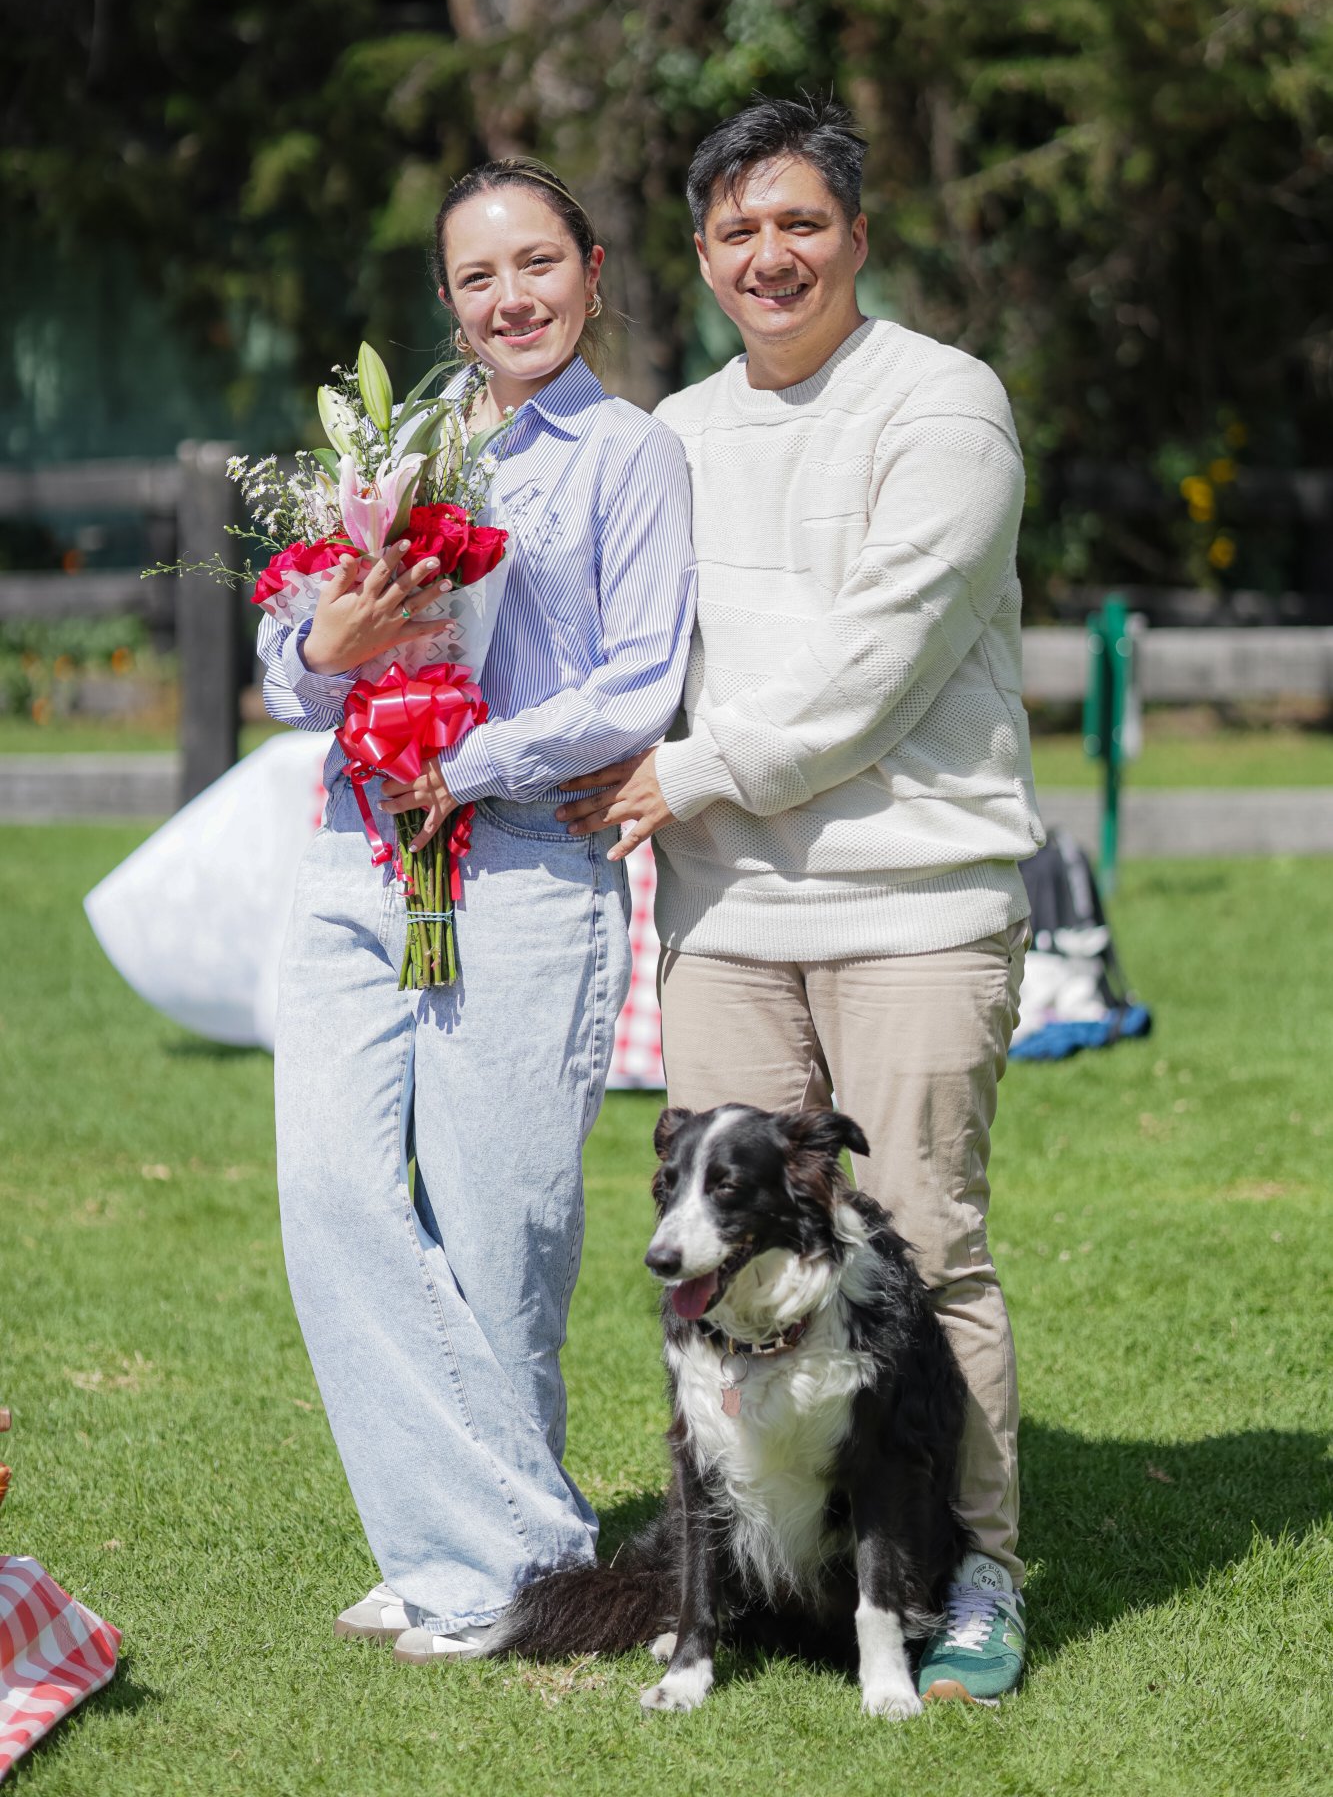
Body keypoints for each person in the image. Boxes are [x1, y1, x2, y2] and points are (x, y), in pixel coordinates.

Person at [558, 96, 1045, 1703]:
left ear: (855, 235)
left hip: (916, 903)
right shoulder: (676, 435)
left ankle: (974, 1577)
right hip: (728, 921)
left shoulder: (944, 406)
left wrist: (689, 772)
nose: (770, 255)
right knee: (723, 1258)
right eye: (736, 230)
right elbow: (619, 644)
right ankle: (767, 1568)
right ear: (700, 254)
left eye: (800, 223)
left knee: (924, 1252)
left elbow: (875, 664)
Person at [261, 158, 695, 1661]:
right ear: (447, 301)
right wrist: (324, 646)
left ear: (591, 269)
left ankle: (476, 1567)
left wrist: (469, 760)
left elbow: (637, 685)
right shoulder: (398, 446)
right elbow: (292, 663)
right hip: (357, 854)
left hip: (517, 863)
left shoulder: (630, 455)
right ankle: (495, 1550)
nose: (511, 298)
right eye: (476, 277)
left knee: (499, 1230)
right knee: (331, 1191)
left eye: (537, 263)